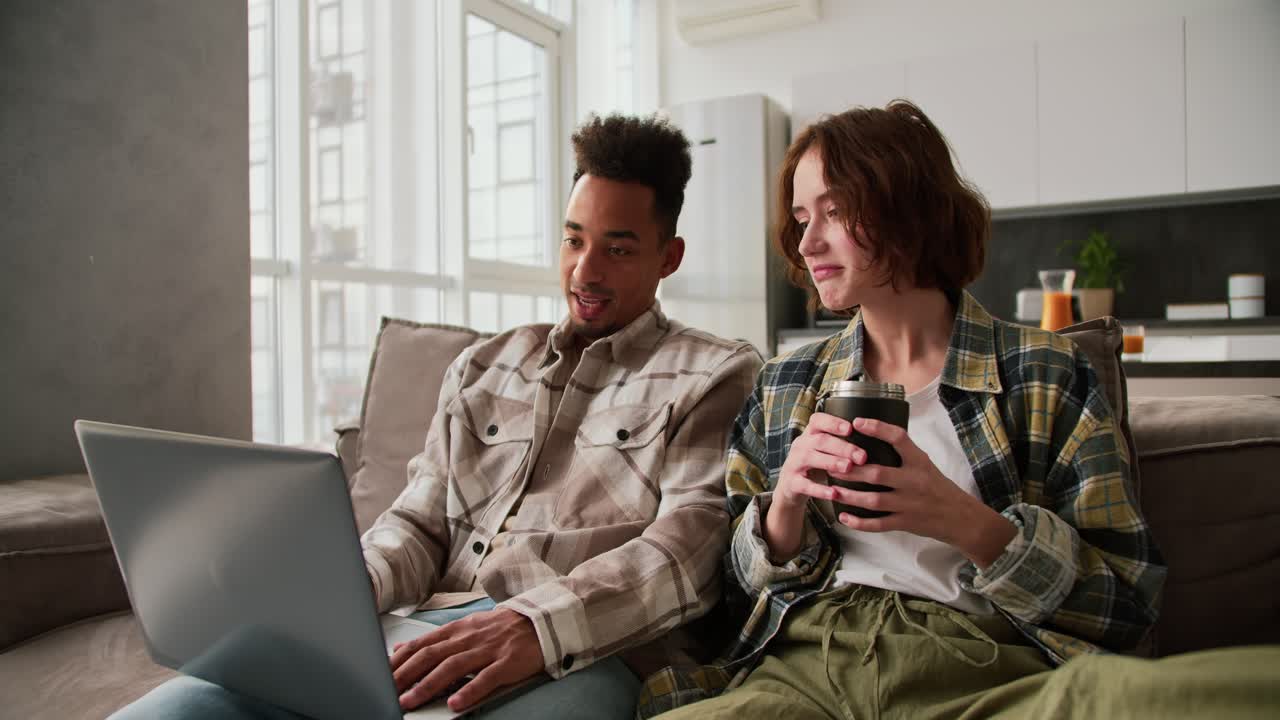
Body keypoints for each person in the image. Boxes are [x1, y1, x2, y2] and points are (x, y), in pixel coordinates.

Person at [112, 114, 763, 720]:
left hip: (587, 650)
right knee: (186, 705)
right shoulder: (484, 366)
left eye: (618, 250)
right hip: (430, 626)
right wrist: (349, 591)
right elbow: (420, 522)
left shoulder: (714, 373)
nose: (584, 271)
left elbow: (690, 546)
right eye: (573, 240)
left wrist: (533, 625)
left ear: (668, 257)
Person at [637, 100, 1196, 719]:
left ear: (909, 209)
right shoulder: (785, 384)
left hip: (983, 669)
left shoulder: (1045, 373)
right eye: (801, 218)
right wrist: (784, 510)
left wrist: (966, 522)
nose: (808, 242)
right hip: (803, 669)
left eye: (835, 211)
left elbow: (1124, 604)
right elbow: (729, 596)